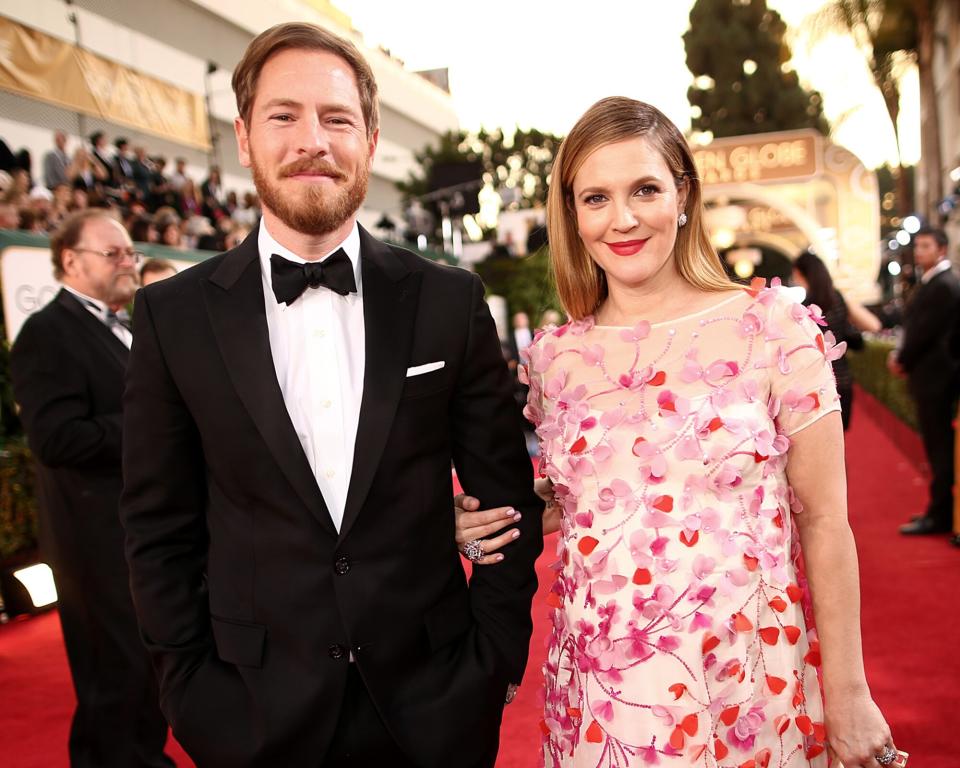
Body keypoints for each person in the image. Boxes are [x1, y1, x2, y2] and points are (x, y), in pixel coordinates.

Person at [119, 22, 542, 768]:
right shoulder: (172, 316)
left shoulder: (447, 301)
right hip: (252, 717)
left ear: (371, 142)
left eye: (337, 118)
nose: (312, 139)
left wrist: (494, 659)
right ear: (244, 138)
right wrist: (190, 693)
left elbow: (508, 499)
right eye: (285, 115)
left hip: (434, 709)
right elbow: (158, 528)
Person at [455, 97, 899, 768]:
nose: (623, 219)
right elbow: (590, 496)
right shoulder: (557, 360)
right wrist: (478, 520)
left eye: (645, 189)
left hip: (748, 684)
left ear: (684, 194)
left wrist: (849, 692)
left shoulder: (774, 328)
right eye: (595, 198)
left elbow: (826, 523)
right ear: (572, 215)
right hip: (605, 696)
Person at [9, 210, 173, 768]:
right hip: (92, 541)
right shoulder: (46, 333)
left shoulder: (123, 326)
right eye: (114, 253)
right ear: (70, 261)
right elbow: (56, 439)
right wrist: (155, 422)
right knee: (114, 671)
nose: (128, 262)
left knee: (141, 666)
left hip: (133, 531)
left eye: (130, 251)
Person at [889, 227, 960, 535]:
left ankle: (941, 514)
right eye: (917, 246)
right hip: (932, 376)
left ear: (941, 249)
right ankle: (939, 510)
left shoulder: (944, 284)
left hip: (938, 377)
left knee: (939, 446)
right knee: (936, 446)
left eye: (925, 245)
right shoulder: (935, 282)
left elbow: (924, 332)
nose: (919, 251)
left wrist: (902, 358)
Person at [792, 250, 881, 430]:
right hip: (843, 381)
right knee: (841, 441)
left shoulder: (802, 310)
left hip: (817, 385)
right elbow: (874, 325)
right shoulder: (838, 298)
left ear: (800, 275)